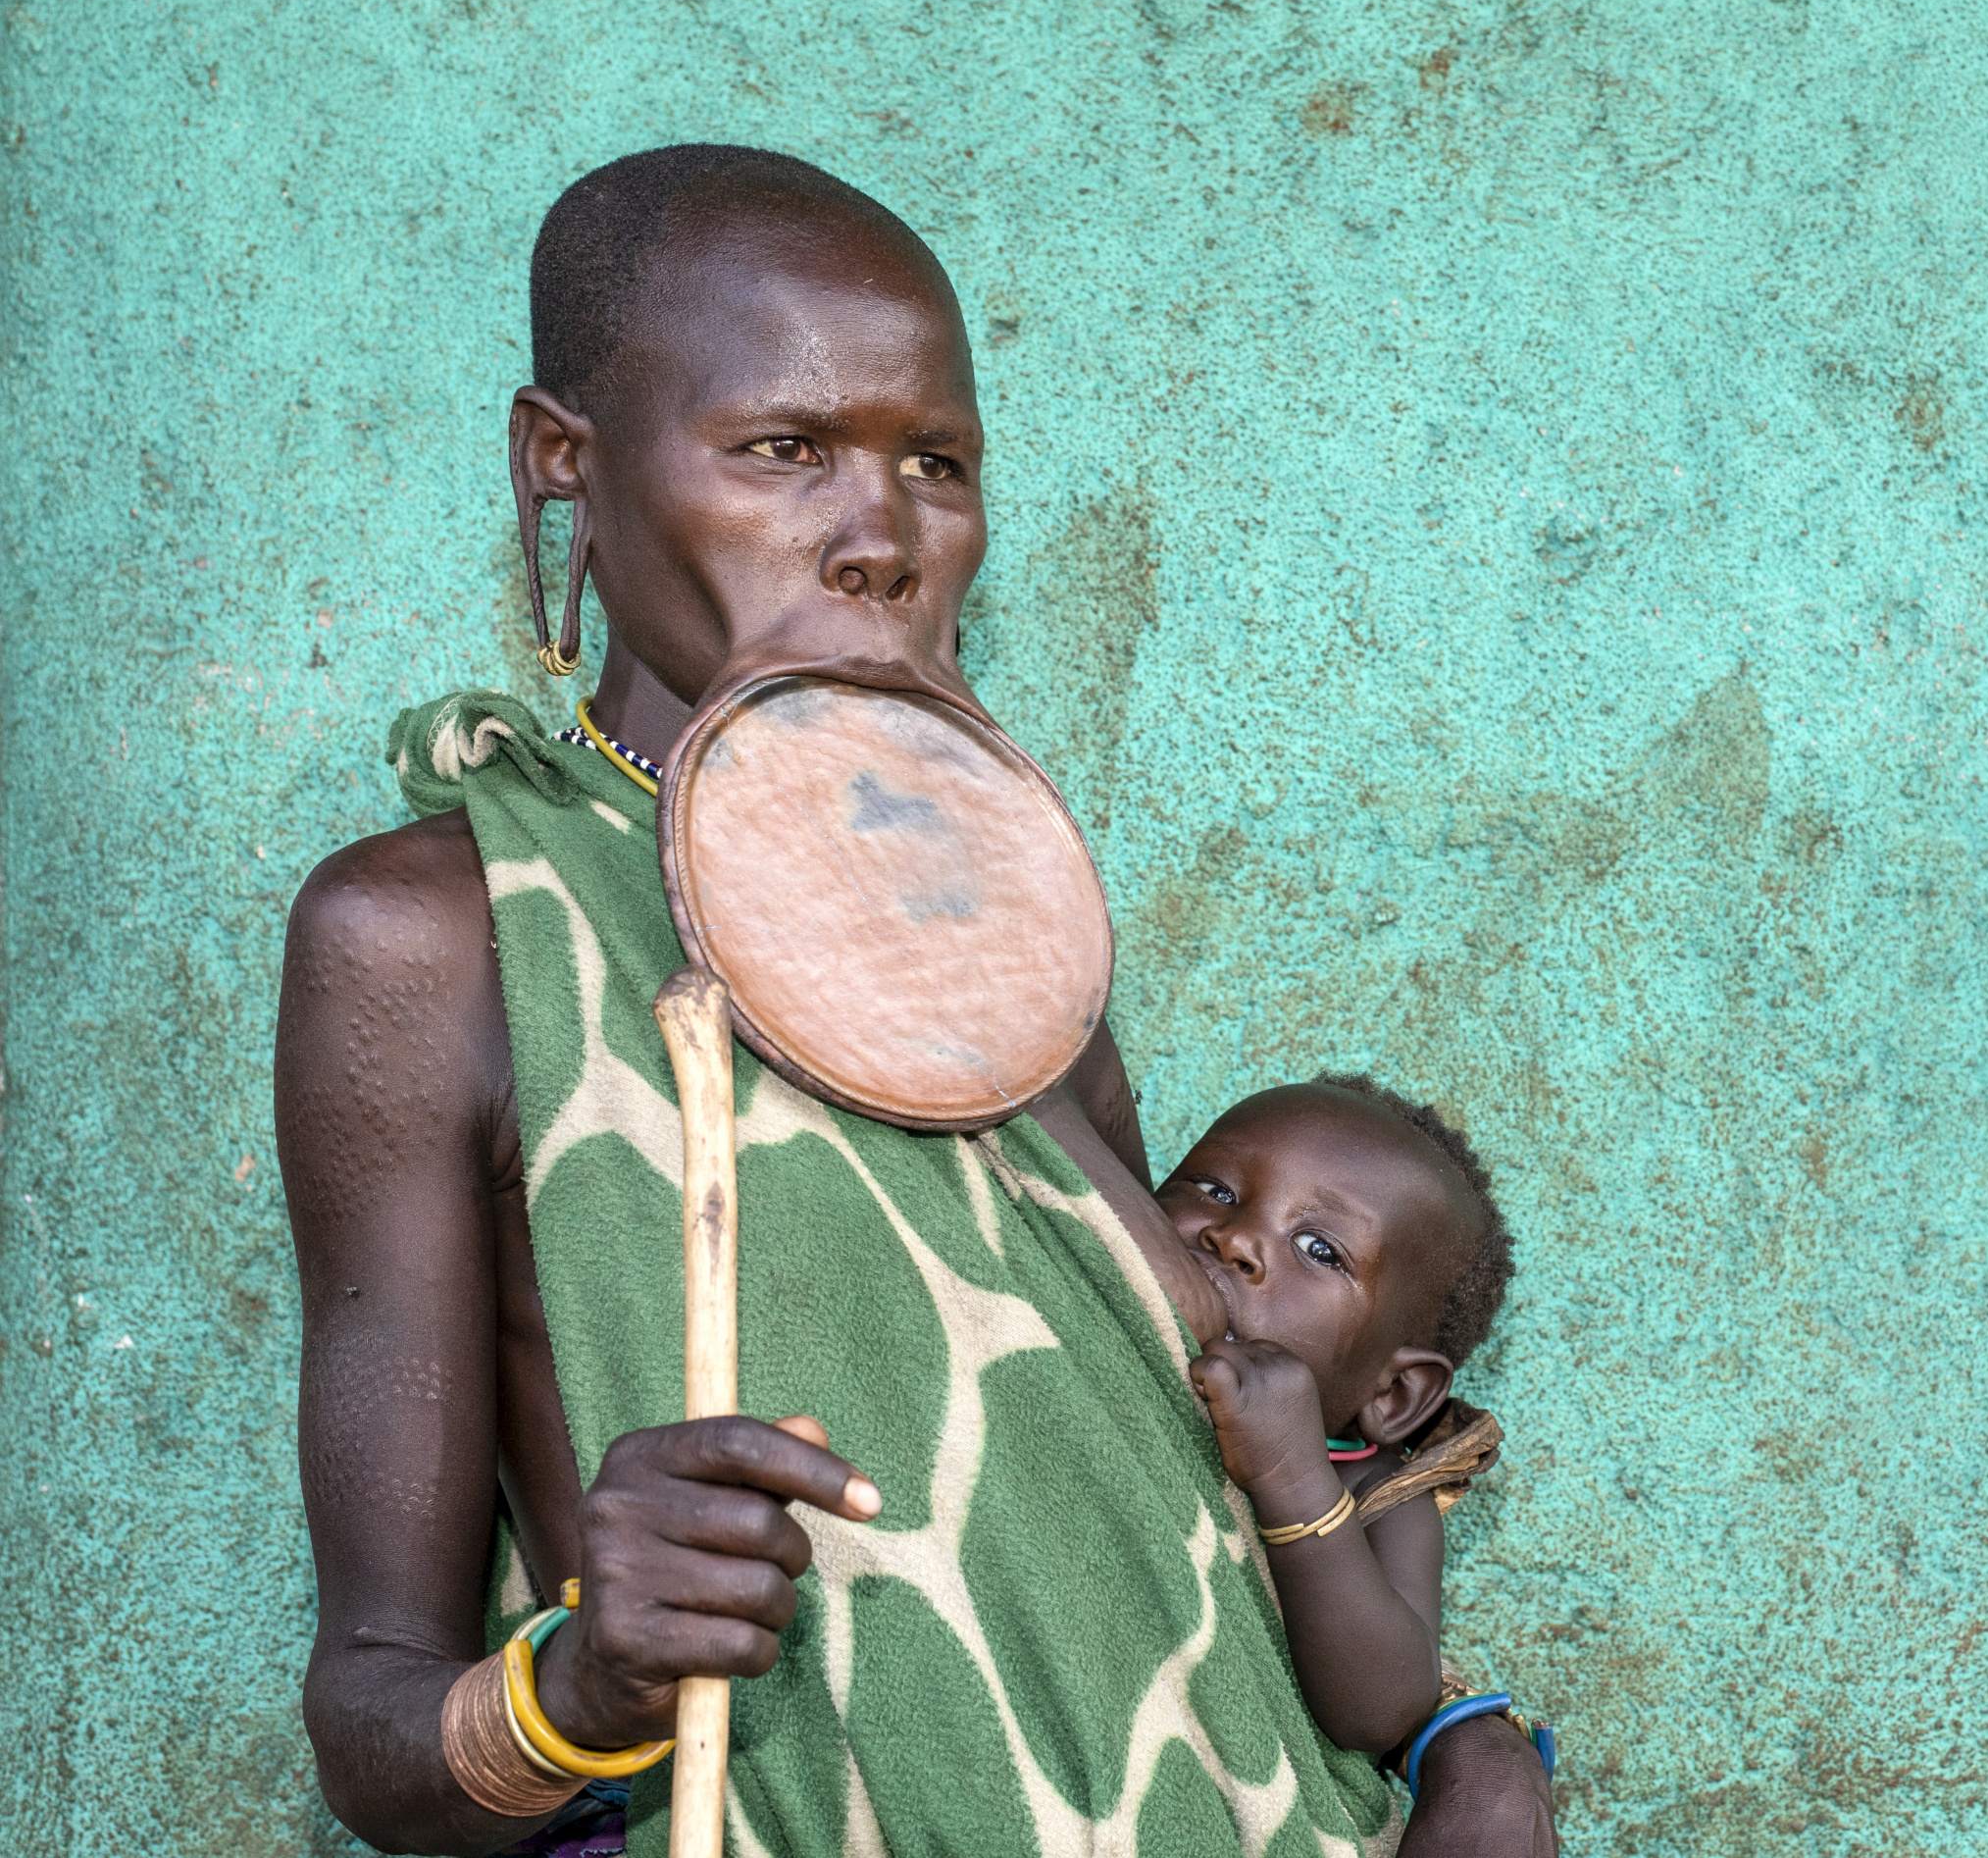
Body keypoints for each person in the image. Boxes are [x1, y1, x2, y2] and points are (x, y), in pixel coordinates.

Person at [276, 144, 1556, 1856]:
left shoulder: (1008, 932)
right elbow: (373, 1732)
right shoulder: (434, 936)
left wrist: (1469, 1749)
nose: (879, 538)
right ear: (561, 457)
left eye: (936, 465)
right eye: (784, 449)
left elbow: (1179, 1486)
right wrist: (578, 1685)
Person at [1095, 1075, 1547, 1780]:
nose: (1235, 1238)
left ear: (1393, 1392)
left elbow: (1381, 1708)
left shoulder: (1377, 1491)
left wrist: (1292, 1476)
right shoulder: (1099, 1306)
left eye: (1318, 1248)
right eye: (1214, 1189)